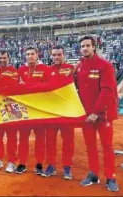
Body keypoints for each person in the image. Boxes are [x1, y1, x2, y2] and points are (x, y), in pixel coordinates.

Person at [75, 36, 119, 192]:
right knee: (90, 146)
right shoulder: (79, 67)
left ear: (94, 47)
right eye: (82, 46)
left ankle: (110, 177)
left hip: (103, 115)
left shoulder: (105, 66)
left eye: (88, 45)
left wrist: (96, 112)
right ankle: (93, 174)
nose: (85, 48)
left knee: (107, 146)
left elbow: (107, 90)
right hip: (86, 117)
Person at [41, 45, 75, 179]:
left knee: (68, 141)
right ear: (51, 56)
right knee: (50, 141)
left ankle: (67, 167)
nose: (56, 57)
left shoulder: (71, 69)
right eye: (54, 55)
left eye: (59, 55)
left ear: (64, 55)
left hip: (67, 111)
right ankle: (51, 165)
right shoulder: (47, 71)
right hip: (52, 112)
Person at [15, 46, 50, 174]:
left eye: (32, 54)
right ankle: (22, 163)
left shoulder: (45, 68)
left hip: (39, 110)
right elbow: (16, 87)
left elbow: (48, 86)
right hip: (25, 110)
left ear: (37, 54)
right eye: (28, 54)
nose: (30, 56)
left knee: (40, 138)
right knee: (23, 138)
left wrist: (30, 87)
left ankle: (39, 164)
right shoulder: (22, 69)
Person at [0, 49, 20, 173]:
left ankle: (12, 162)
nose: (2, 60)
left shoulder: (14, 72)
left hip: (11, 107)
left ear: (8, 59)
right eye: (0, 58)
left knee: (12, 136)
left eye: (4, 58)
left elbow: (12, 89)